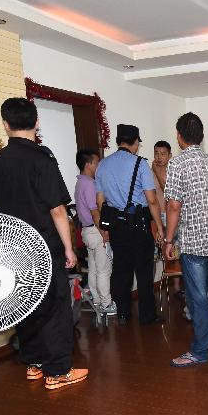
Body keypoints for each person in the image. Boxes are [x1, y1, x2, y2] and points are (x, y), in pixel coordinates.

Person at [0, 97, 88, 390]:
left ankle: (34, 363)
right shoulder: (41, 159)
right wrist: (69, 248)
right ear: (37, 122)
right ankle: (58, 371)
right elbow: (57, 209)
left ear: (5, 125)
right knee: (55, 308)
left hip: (14, 247)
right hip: (44, 245)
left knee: (26, 306)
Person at [163, 113, 208, 367]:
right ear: (201, 136)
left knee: (198, 298)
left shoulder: (177, 164)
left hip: (194, 242)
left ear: (179, 137)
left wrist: (168, 240)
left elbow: (174, 206)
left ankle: (200, 351)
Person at [95, 124, 164, 325]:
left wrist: (104, 228)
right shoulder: (140, 164)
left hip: (116, 226)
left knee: (121, 270)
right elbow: (151, 200)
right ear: (134, 142)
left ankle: (123, 313)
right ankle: (147, 315)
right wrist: (159, 227)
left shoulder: (102, 165)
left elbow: (100, 201)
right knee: (144, 272)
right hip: (139, 225)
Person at [74, 149, 114, 315]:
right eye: (97, 162)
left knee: (93, 268)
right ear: (88, 164)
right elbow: (95, 211)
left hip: (87, 231)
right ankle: (106, 304)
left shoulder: (80, 182)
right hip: (96, 231)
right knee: (103, 270)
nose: (99, 166)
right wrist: (104, 233)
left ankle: (97, 300)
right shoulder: (90, 184)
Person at [151, 140, 171, 221]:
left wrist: (157, 173)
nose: (159, 157)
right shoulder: (149, 172)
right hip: (153, 214)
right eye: (156, 153)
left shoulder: (172, 173)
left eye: (163, 154)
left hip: (169, 214)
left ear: (169, 155)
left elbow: (168, 194)